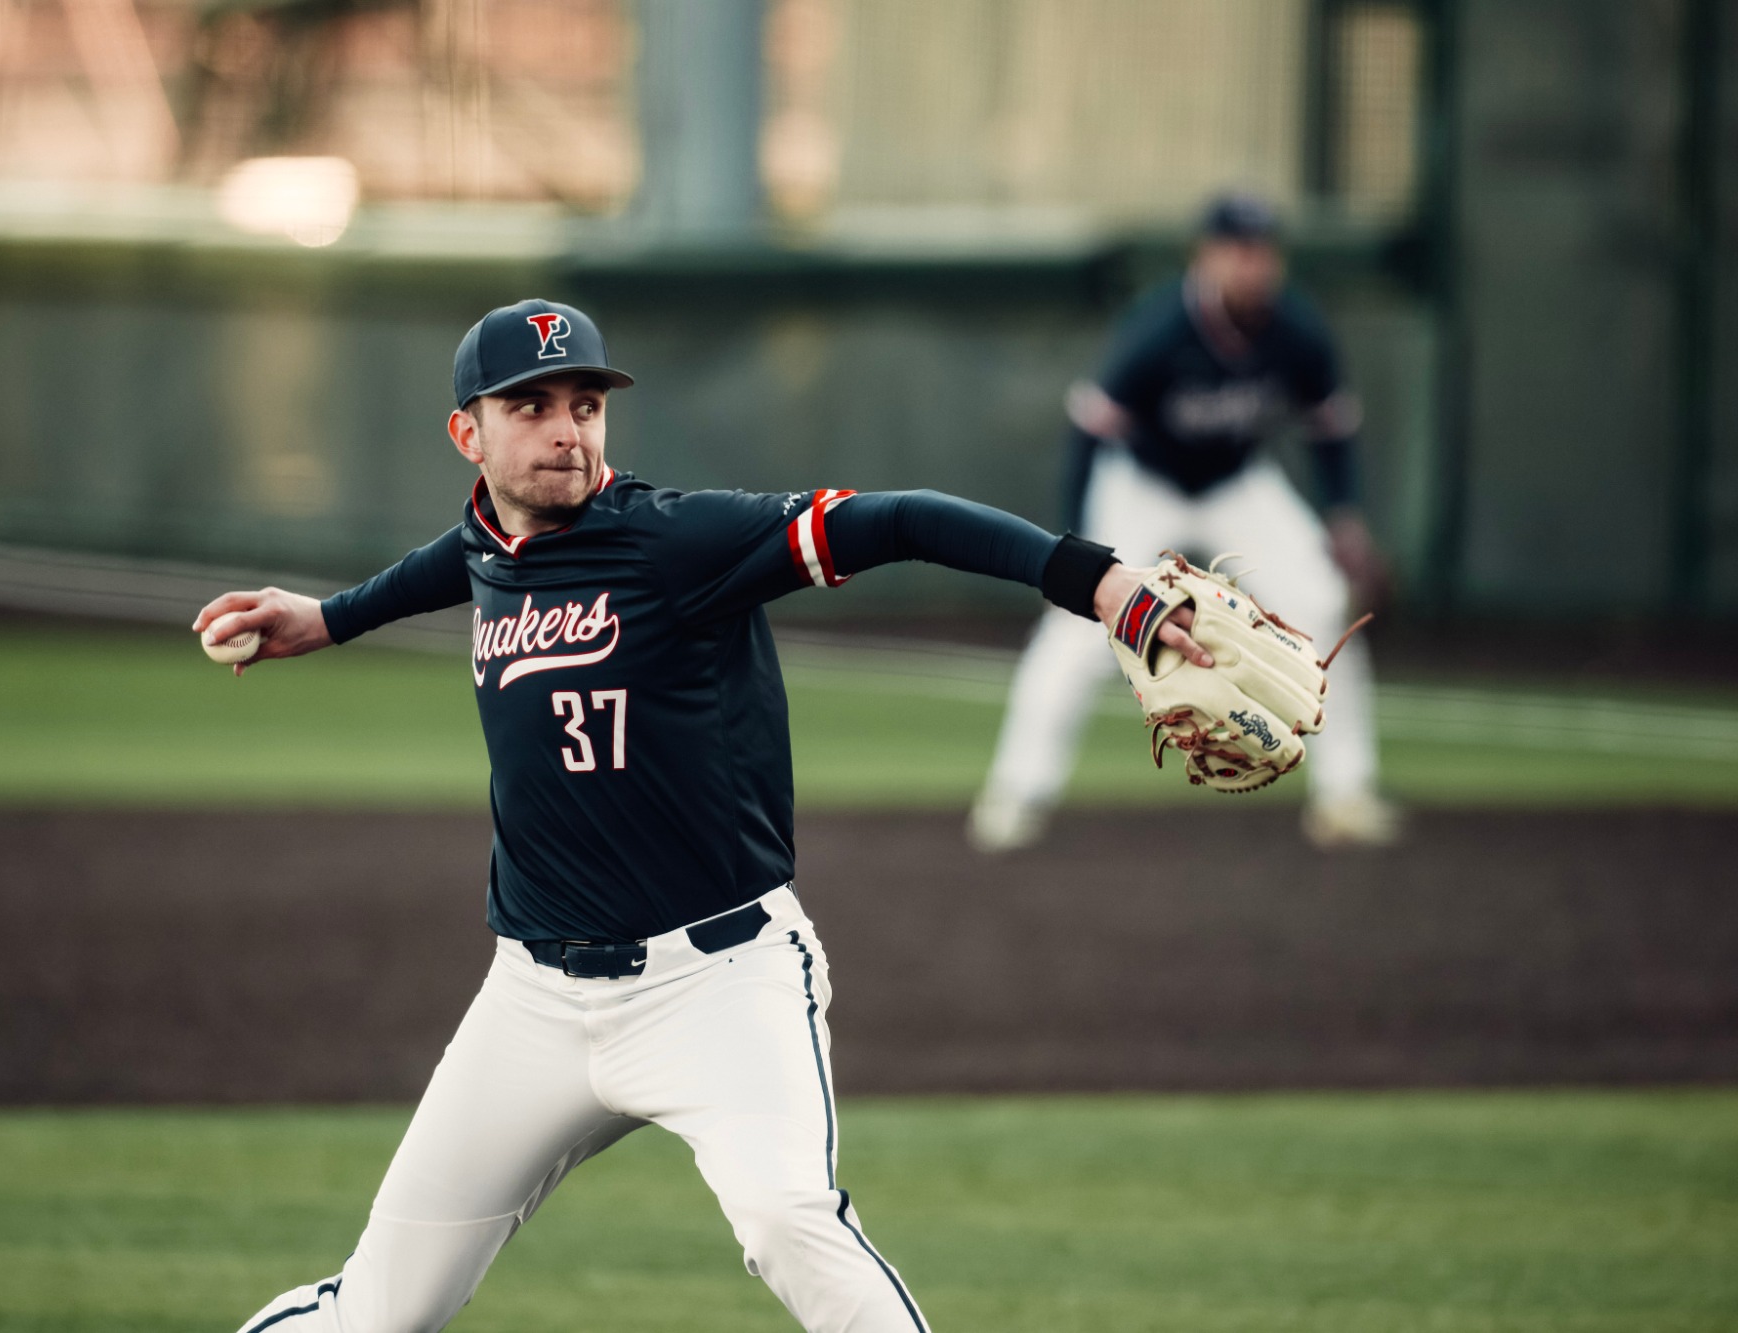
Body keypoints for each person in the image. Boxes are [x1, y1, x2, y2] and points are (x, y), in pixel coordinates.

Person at [193, 298, 1212, 1333]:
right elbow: (453, 564)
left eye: (585, 403)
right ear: (469, 433)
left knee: (786, 1223)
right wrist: (328, 617)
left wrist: (1107, 587)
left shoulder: (677, 541)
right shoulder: (487, 546)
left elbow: (899, 518)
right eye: (531, 404)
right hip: (531, 1000)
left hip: (715, 984)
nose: (566, 428)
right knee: (376, 1308)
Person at [968, 193, 1399, 852]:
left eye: (1262, 251)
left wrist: (1345, 519)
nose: (1252, 265)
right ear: (1207, 255)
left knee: (1320, 601)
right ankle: (1016, 791)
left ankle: (1346, 791)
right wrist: (1076, 548)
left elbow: (1331, 428)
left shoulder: (1296, 328)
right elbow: (1089, 431)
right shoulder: (1161, 328)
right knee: (1080, 629)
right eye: (1238, 250)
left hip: (1238, 483)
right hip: (1142, 484)